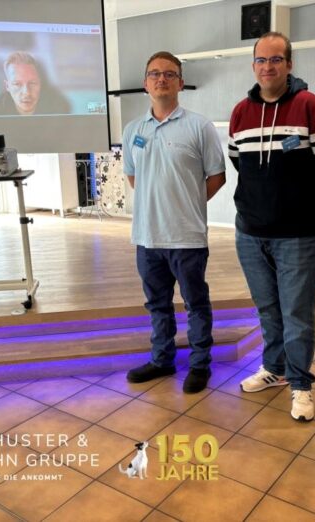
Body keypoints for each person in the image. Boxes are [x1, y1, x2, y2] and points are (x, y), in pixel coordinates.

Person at [228, 32, 315, 421]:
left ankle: (301, 384)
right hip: (250, 233)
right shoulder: (241, 112)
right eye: (261, 60)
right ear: (253, 65)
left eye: (276, 59)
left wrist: (292, 202)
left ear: (289, 64)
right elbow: (239, 162)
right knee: (268, 310)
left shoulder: (311, 107)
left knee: (297, 315)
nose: (268, 67)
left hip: (299, 235)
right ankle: (274, 369)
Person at [122, 51, 226, 393]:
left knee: (196, 304)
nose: (161, 79)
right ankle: (162, 360)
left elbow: (217, 176)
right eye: (155, 74)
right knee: (157, 305)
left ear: (181, 83)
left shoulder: (200, 126)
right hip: (147, 238)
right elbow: (134, 177)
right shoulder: (133, 130)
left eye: (169, 74)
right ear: (145, 83)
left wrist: (185, 204)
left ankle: (200, 364)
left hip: (187, 238)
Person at [0, 51, 70, 116]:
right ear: (7, 86)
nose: (26, 92)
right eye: (17, 84)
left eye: (32, 83)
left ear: (41, 84)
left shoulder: (59, 108)